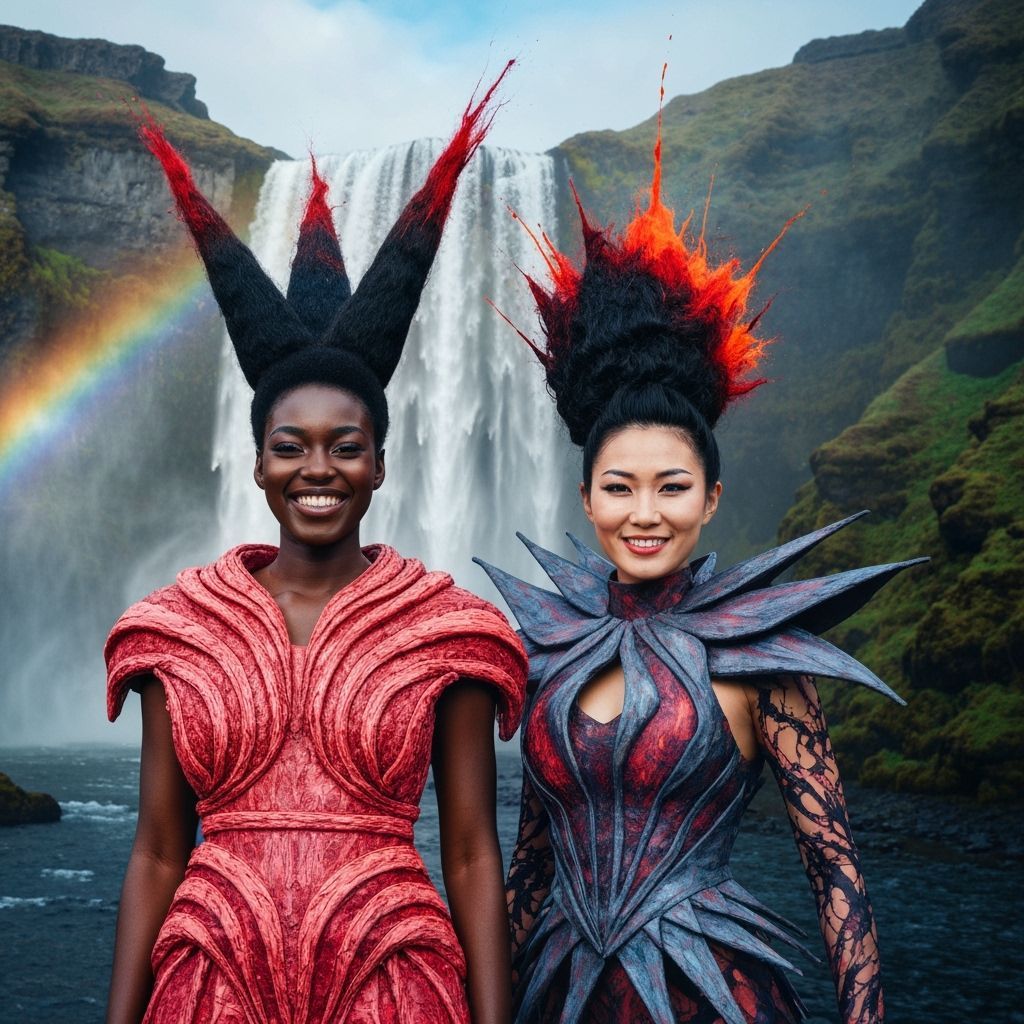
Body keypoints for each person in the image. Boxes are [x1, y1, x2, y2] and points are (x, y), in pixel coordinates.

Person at [475, 87, 923, 1024]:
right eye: (620, 487)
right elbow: (529, 865)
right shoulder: (546, 648)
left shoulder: (763, 653)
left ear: (712, 497)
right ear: (587, 496)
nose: (646, 513)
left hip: (717, 997)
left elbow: (832, 864)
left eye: (672, 488)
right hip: (562, 997)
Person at [104, 64, 527, 1024]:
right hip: (209, 982)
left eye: (347, 446)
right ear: (253, 464)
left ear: (381, 463)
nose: (318, 468)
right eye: (289, 446)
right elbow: (159, 851)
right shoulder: (180, 626)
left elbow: (468, 850)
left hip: (396, 982)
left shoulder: (448, 629)